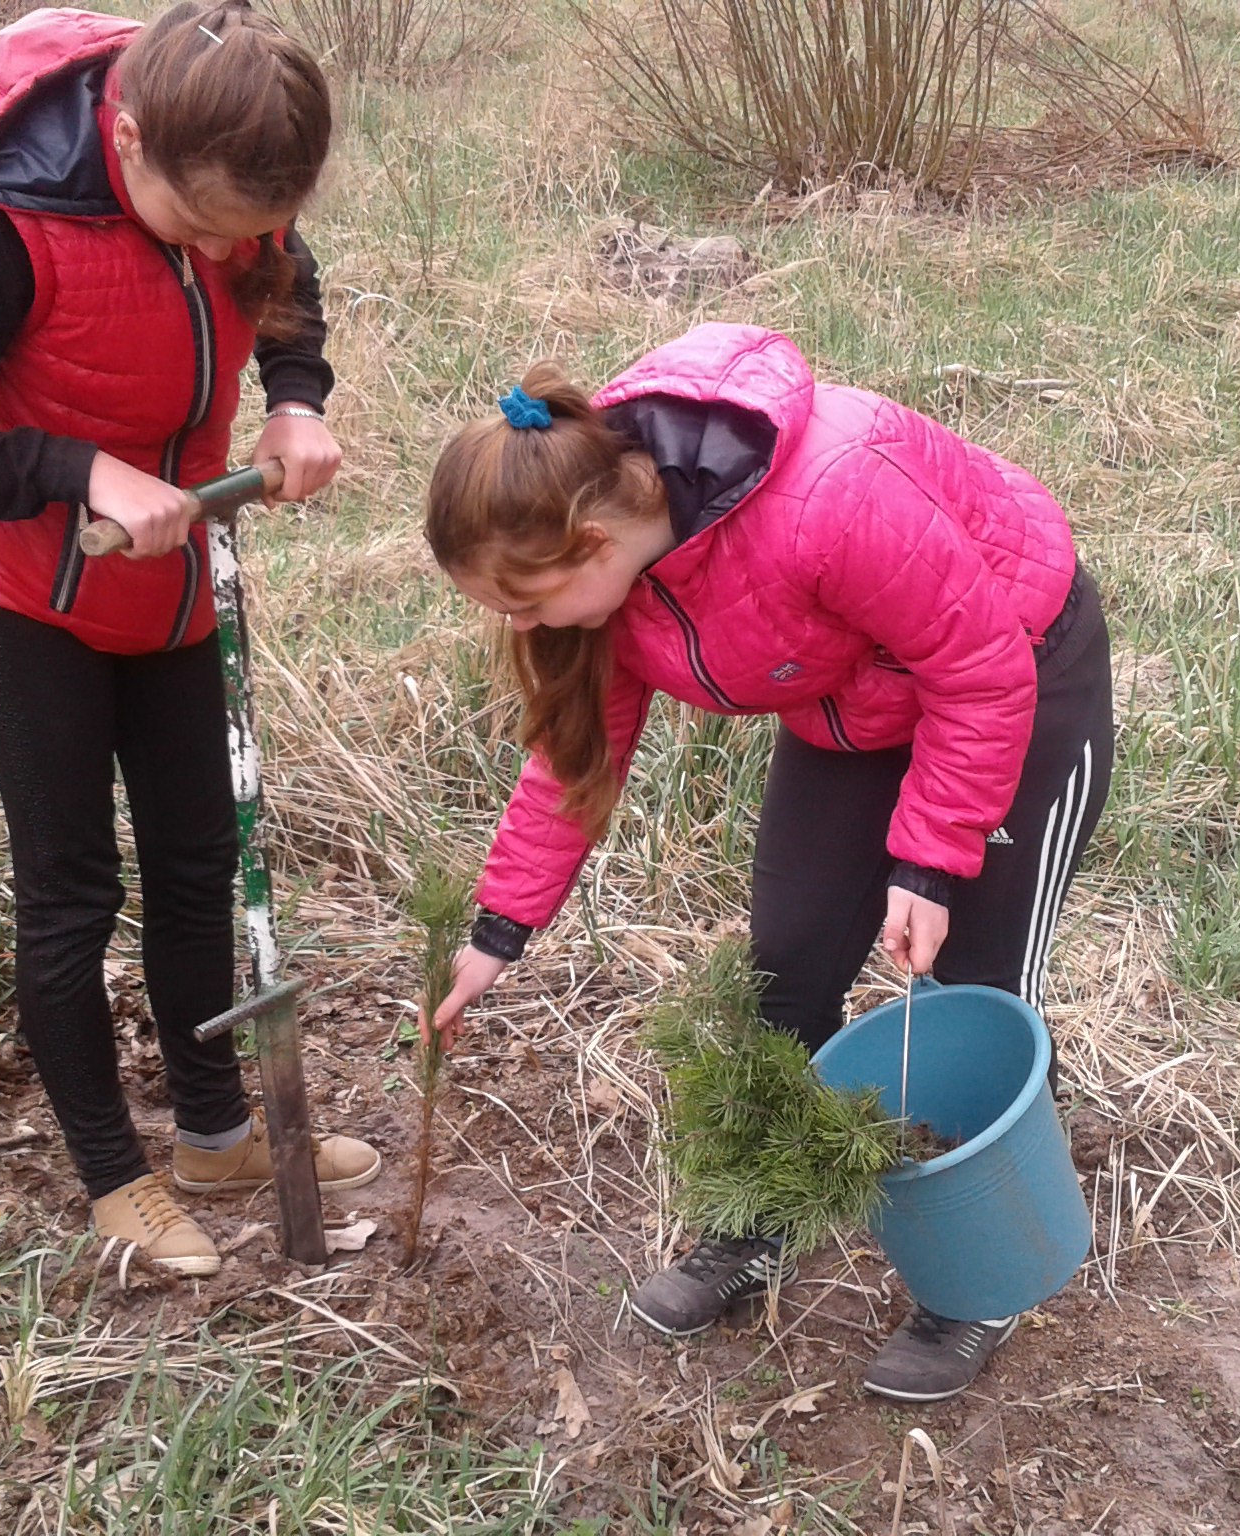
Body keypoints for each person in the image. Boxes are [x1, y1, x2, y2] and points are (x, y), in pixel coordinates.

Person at [422, 324, 1112, 1401]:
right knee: (784, 964)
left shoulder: (829, 497)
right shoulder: (616, 568)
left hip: (1013, 668)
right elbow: (572, 758)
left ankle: (979, 1282)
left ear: (592, 538)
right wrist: (496, 932)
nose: (515, 624)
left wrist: (927, 861)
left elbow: (978, 672)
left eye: (522, 599)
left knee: (969, 989)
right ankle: (760, 1217)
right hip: (851, 705)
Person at [0, 1, 379, 1279]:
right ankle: (114, 1176)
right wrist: (79, 470)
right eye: (200, 227)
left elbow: (288, 289)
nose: (231, 247)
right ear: (123, 140)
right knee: (74, 889)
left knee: (198, 864)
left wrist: (295, 401)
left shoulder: (237, 170)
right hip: (31, 607)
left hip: (176, 590)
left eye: (254, 227)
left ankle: (214, 1130)